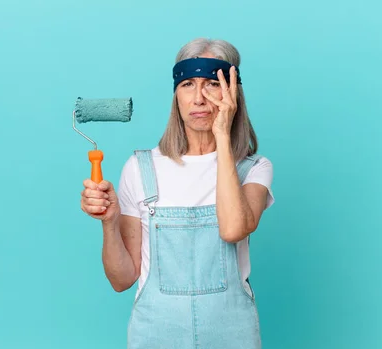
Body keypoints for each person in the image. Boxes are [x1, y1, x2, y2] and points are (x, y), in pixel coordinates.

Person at [80, 37, 274, 348]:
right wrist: (109, 222)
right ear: (176, 96)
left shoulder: (253, 169)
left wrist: (222, 136)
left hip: (231, 333)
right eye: (187, 85)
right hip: (155, 333)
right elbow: (121, 279)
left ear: (233, 94)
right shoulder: (140, 168)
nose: (198, 98)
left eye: (212, 84)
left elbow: (233, 228)